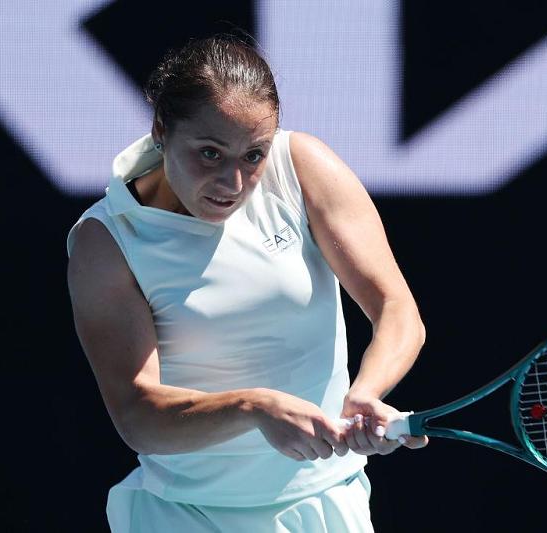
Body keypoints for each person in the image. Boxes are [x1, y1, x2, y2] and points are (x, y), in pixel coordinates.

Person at [66, 32, 428, 532]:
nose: (233, 184)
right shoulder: (107, 240)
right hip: (184, 517)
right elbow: (137, 415)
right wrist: (253, 407)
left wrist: (365, 392)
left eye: (253, 155)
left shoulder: (303, 167)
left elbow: (397, 309)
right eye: (210, 154)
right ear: (160, 129)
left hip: (326, 505)